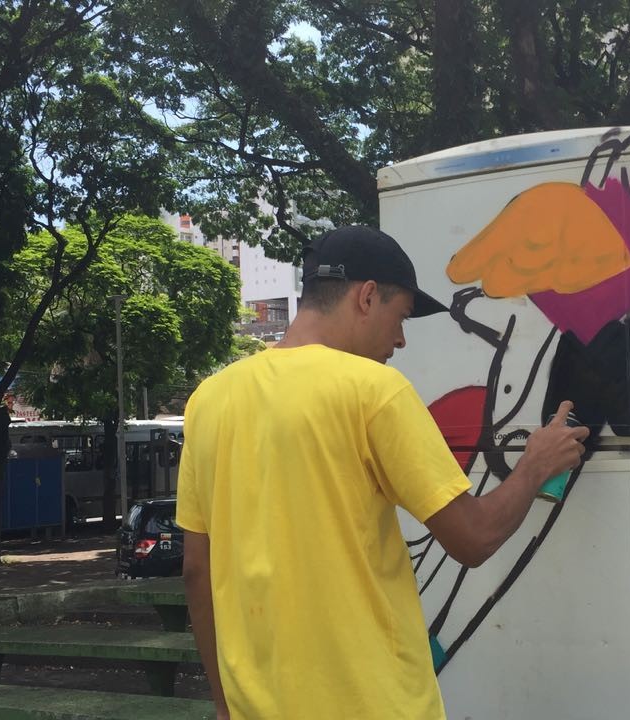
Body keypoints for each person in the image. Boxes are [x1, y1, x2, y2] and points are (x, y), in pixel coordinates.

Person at [177, 225, 589, 720]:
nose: (400, 339)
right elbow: (472, 537)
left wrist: (225, 705)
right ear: (367, 297)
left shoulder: (210, 400)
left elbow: (197, 570)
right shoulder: (374, 390)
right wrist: (534, 466)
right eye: (402, 317)